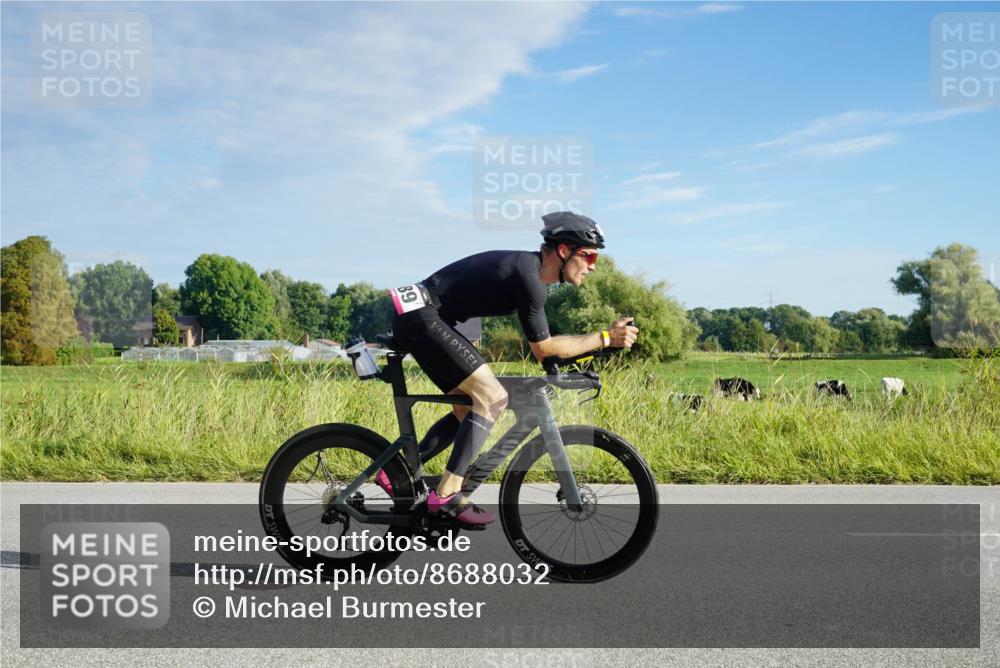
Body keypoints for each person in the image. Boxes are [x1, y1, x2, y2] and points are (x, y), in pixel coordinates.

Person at [378, 211, 638, 525]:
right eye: (589, 255)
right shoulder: (528, 277)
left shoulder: (529, 273)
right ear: (564, 251)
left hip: (422, 316)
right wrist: (606, 337)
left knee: (466, 412)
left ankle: (395, 471)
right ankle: (447, 494)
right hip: (422, 317)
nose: (593, 265)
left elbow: (549, 349)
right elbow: (544, 349)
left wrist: (571, 360)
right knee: (493, 398)